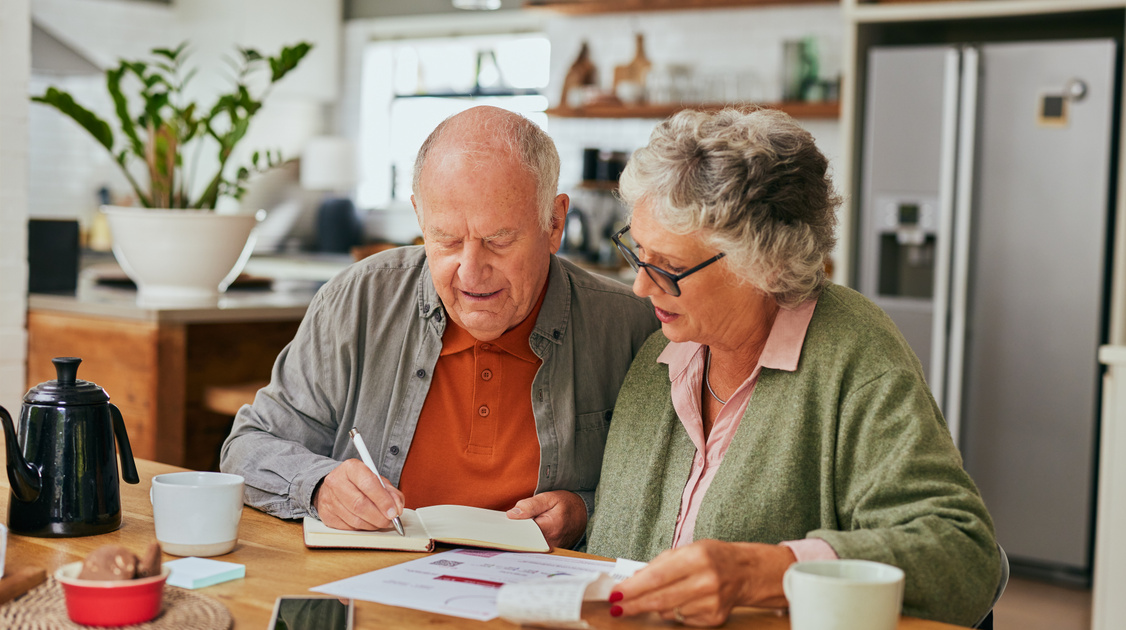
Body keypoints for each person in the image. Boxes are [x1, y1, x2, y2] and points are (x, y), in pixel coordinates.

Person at [585, 108, 1000, 627]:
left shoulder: (854, 354)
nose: (642, 287)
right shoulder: (661, 355)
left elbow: (963, 554)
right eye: (638, 253)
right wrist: (578, 517)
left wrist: (772, 571)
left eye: (669, 267)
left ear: (762, 264)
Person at [221, 106, 659, 549]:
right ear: (419, 218)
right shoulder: (358, 299)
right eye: (447, 240)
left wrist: (587, 510)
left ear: (554, 223)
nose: (471, 273)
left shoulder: (631, 327)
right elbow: (247, 448)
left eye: (498, 240)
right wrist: (318, 484)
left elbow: (675, 501)